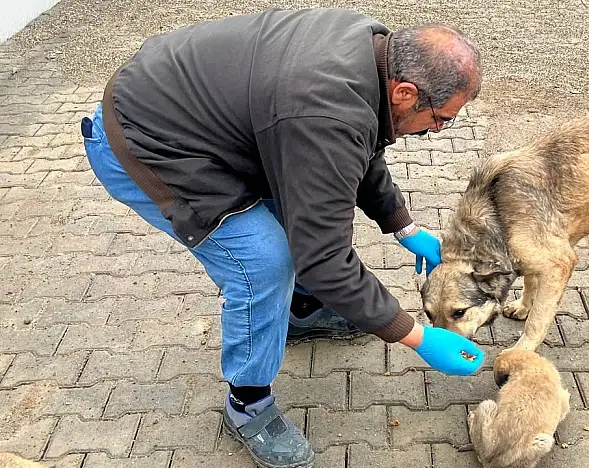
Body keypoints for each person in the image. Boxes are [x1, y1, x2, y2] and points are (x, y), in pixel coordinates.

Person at [80, 7, 486, 468]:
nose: (437, 130)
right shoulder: (325, 108)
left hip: (203, 118)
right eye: (440, 118)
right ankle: (247, 404)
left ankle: (300, 313)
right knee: (264, 261)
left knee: (297, 209)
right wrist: (416, 336)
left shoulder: (373, 55)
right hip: (146, 142)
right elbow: (325, 259)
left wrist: (403, 226)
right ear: (405, 91)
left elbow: (359, 144)